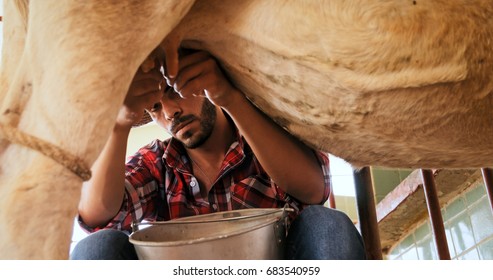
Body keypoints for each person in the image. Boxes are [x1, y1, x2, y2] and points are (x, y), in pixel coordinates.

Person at [71, 49, 366, 260]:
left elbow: (315, 190)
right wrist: (120, 123)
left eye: (174, 90)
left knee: (328, 225)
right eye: (156, 107)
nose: (170, 112)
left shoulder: (263, 138)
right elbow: (95, 217)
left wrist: (229, 97)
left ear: (203, 78)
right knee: (97, 248)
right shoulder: (157, 163)